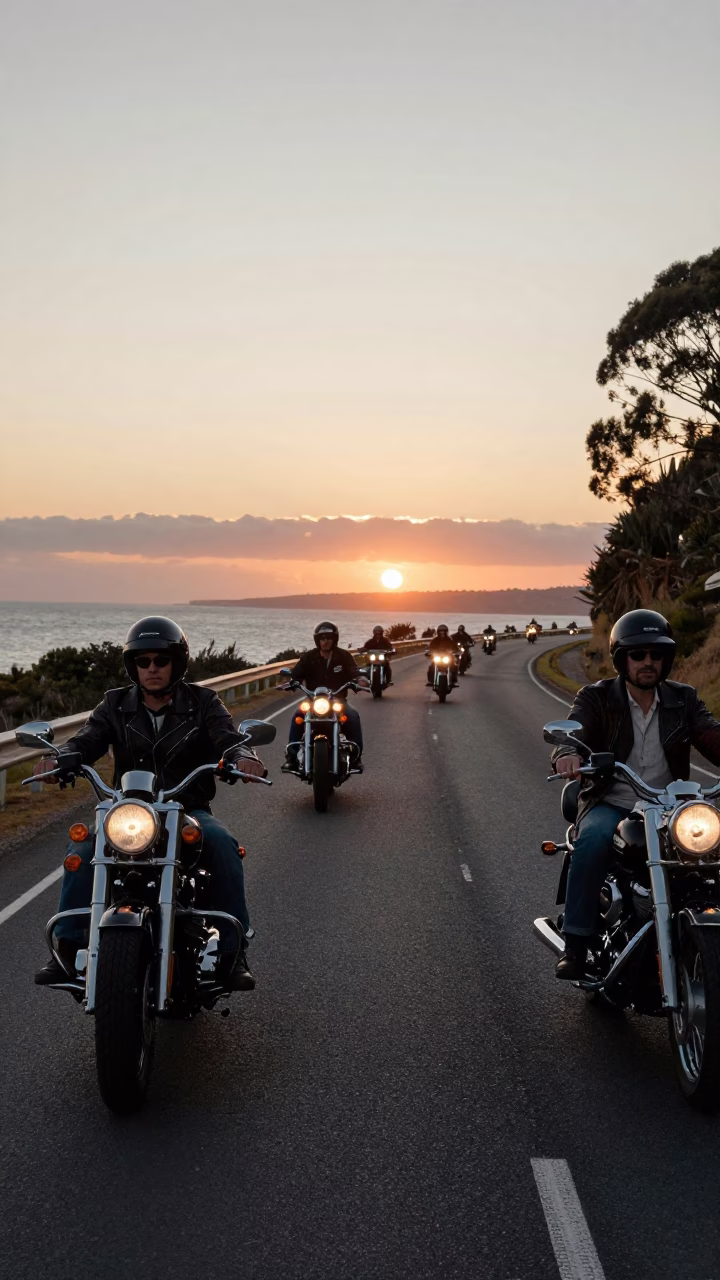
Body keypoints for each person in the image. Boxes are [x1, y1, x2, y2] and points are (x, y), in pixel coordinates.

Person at [33, 616, 267, 991]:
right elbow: (87, 739)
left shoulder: (203, 702)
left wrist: (241, 755)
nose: (152, 668)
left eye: (161, 660)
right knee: (82, 848)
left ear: (177, 662)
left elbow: (227, 736)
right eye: (143, 661)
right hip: (127, 809)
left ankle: (232, 953)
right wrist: (62, 758)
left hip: (186, 808)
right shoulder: (115, 704)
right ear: (133, 666)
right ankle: (68, 945)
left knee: (223, 845)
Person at [551, 608, 720, 980]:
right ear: (621, 659)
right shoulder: (597, 698)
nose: (648, 662)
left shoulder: (683, 699)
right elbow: (573, 731)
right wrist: (568, 753)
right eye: (638, 654)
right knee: (592, 839)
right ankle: (576, 942)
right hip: (614, 802)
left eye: (656, 655)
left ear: (666, 659)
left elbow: (710, 734)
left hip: (672, 806)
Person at [281, 621, 369, 768]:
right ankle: (291, 757)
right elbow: (296, 673)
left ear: (335, 639)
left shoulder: (343, 656)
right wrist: (291, 682)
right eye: (322, 638)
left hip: (338, 700)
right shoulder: (309, 657)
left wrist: (359, 680)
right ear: (317, 640)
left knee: (353, 716)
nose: (325, 641)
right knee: (297, 716)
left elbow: (354, 671)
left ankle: (355, 757)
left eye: (328, 637)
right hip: (313, 700)